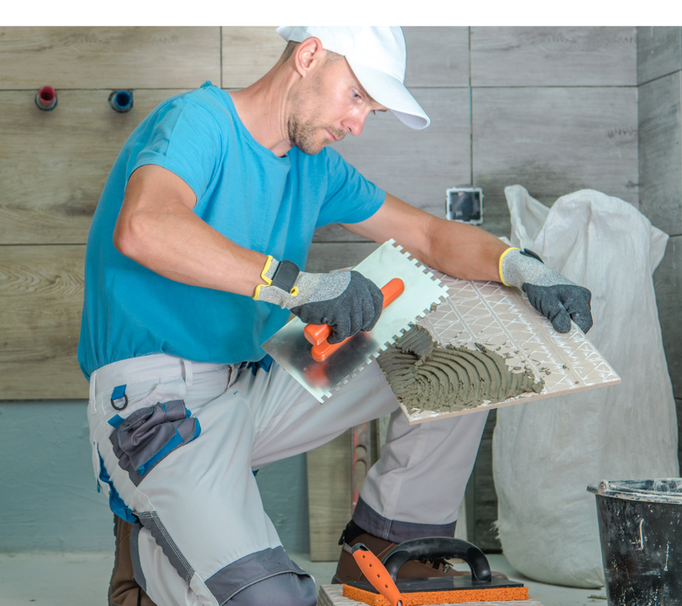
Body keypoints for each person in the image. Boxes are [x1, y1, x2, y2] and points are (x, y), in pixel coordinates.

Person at [77, 26, 593, 606]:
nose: (359, 123)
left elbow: (426, 235)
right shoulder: (198, 121)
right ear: (309, 55)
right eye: (356, 97)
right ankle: (146, 547)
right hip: (156, 404)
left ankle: (387, 546)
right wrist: (294, 285)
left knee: (461, 332)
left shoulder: (313, 165)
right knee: (271, 599)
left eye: (369, 108)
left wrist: (517, 265)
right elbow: (145, 227)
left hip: (254, 383)